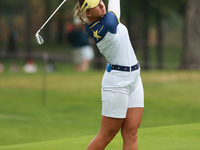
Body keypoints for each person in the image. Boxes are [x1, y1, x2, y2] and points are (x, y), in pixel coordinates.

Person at [74, 0, 144, 150]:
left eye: (100, 1)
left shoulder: (104, 19)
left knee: (131, 132)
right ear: (88, 13)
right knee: (107, 134)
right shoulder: (102, 26)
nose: (101, 5)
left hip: (135, 79)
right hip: (117, 84)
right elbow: (115, 5)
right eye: (96, 6)